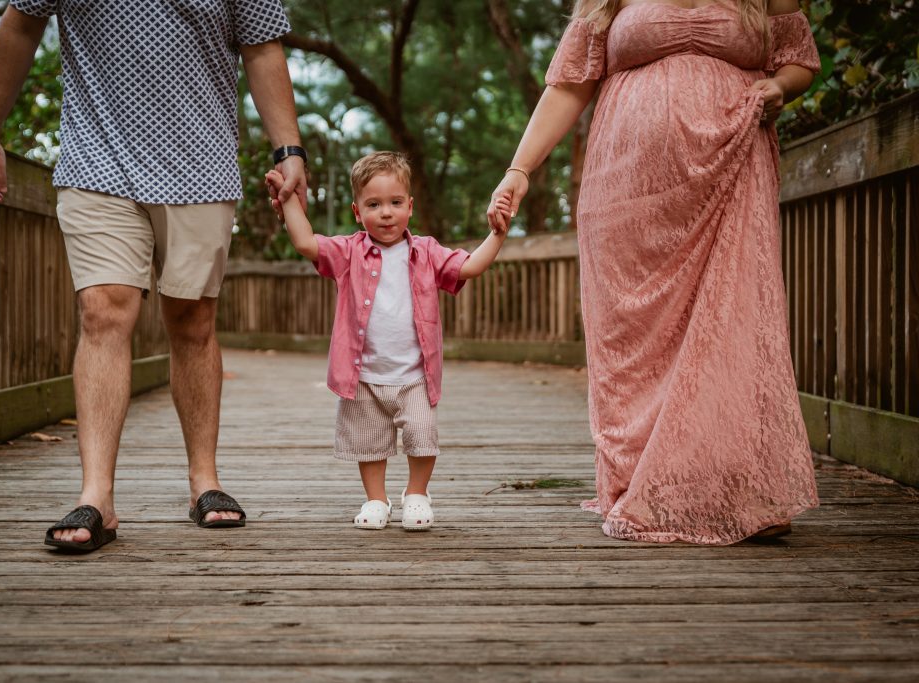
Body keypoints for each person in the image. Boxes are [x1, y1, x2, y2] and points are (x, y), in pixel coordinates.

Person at [0, 0, 308, 552]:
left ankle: (205, 480)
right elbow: (21, 22)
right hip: (96, 159)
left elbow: (262, 45)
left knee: (192, 318)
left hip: (202, 160)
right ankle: (97, 495)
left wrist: (288, 149)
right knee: (103, 309)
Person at [487, 0, 821, 544]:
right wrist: (519, 170)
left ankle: (738, 490)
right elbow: (570, 83)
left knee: (732, 322)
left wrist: (782, 85)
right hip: (628, 189)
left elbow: (798, 58)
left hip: (731, 169)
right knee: (634, 336)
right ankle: (642, 481)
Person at [268, 152, 508, 530]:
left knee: (422, 434)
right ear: (357, 211)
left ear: (410, 207)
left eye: (396, 203)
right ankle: (376, 499)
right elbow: (305, 243)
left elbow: (469, 267)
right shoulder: (349, 252)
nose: (386, 213)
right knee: (369, 441)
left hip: (414, 373)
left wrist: (497, 234)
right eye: (374, 205)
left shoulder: (426, 251)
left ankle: (416, 492)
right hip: (363, 374)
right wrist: (288, 201)